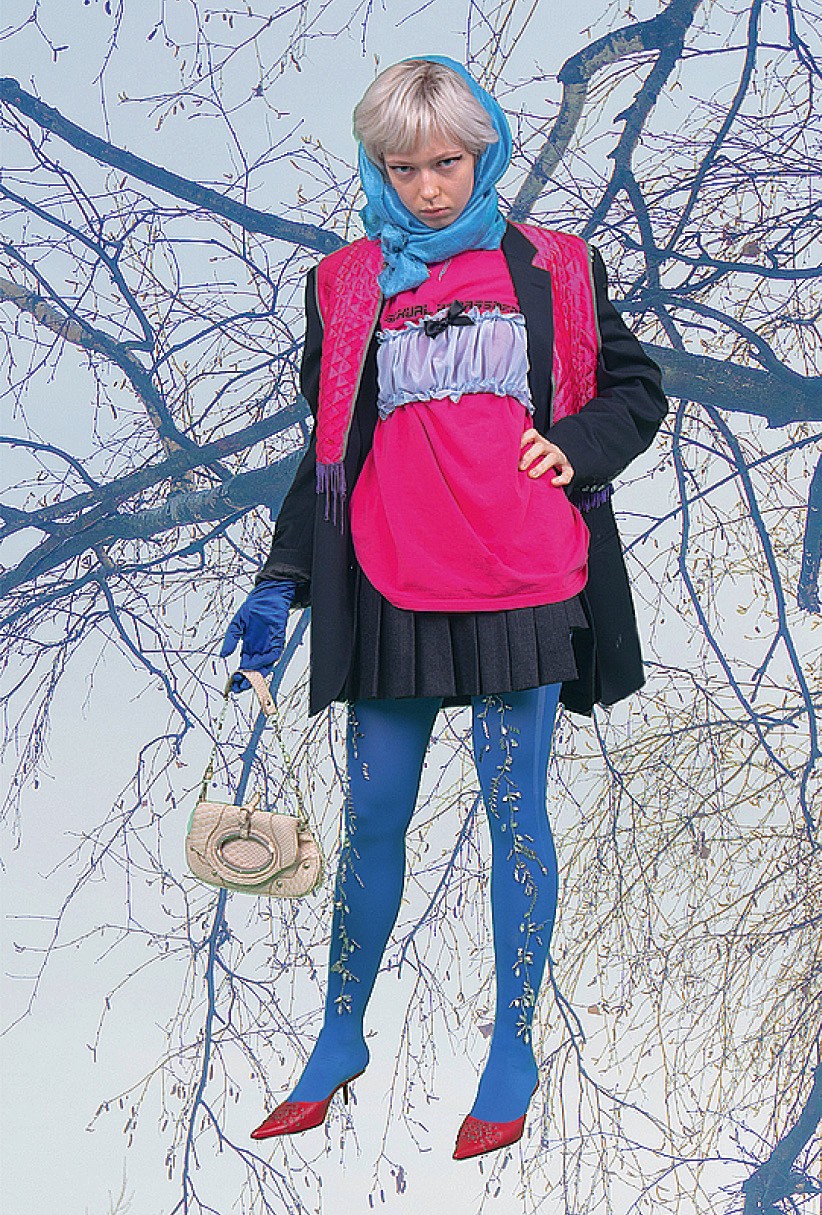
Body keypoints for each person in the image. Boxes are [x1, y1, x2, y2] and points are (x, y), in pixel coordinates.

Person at [220, 56, 668, 1160]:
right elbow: (329, 447)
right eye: (402, 168)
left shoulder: (558, 268)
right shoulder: (345, 284)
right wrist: (280, 584)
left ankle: (512, 1049)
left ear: (486, 153)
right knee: (373, 818)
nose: (427, 188)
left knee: (516, 813)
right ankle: (339, 1036)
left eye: (447, 164)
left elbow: (636, 389)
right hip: (389, 580)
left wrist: (573, 445)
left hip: (524, 577)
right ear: (377, 168)